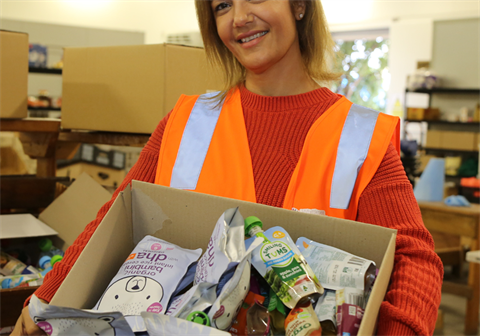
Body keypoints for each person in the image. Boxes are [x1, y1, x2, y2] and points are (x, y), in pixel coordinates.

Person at [13, 0, 443, 335]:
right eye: (221, 6)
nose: (238, 17)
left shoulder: (357, 136)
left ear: (299, 5)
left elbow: (414, 259)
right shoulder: (186, 123)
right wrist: (45, 298)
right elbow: (113, 220)